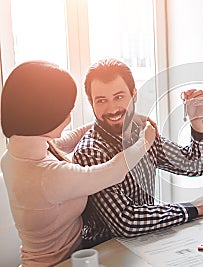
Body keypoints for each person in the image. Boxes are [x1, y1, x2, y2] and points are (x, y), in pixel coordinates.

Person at [0, 60, 157, 267]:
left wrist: (121, 116)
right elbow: (114, 171)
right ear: (44, 115)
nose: (69, 116)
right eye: (66, 110)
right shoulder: (49, 175)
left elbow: (64, 141)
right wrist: (146, 140)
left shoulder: (14, 155)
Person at [72, 58, 203, 248]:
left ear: (133, 94)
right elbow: (126, 222)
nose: (112, 108)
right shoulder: (90, 153)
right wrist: (192, 209)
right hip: (106, 250)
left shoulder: (142, 134)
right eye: (101, 100)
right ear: (91, 103)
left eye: (119, 97)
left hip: (146, 243)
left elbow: (196, 166)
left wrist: (196, 121)